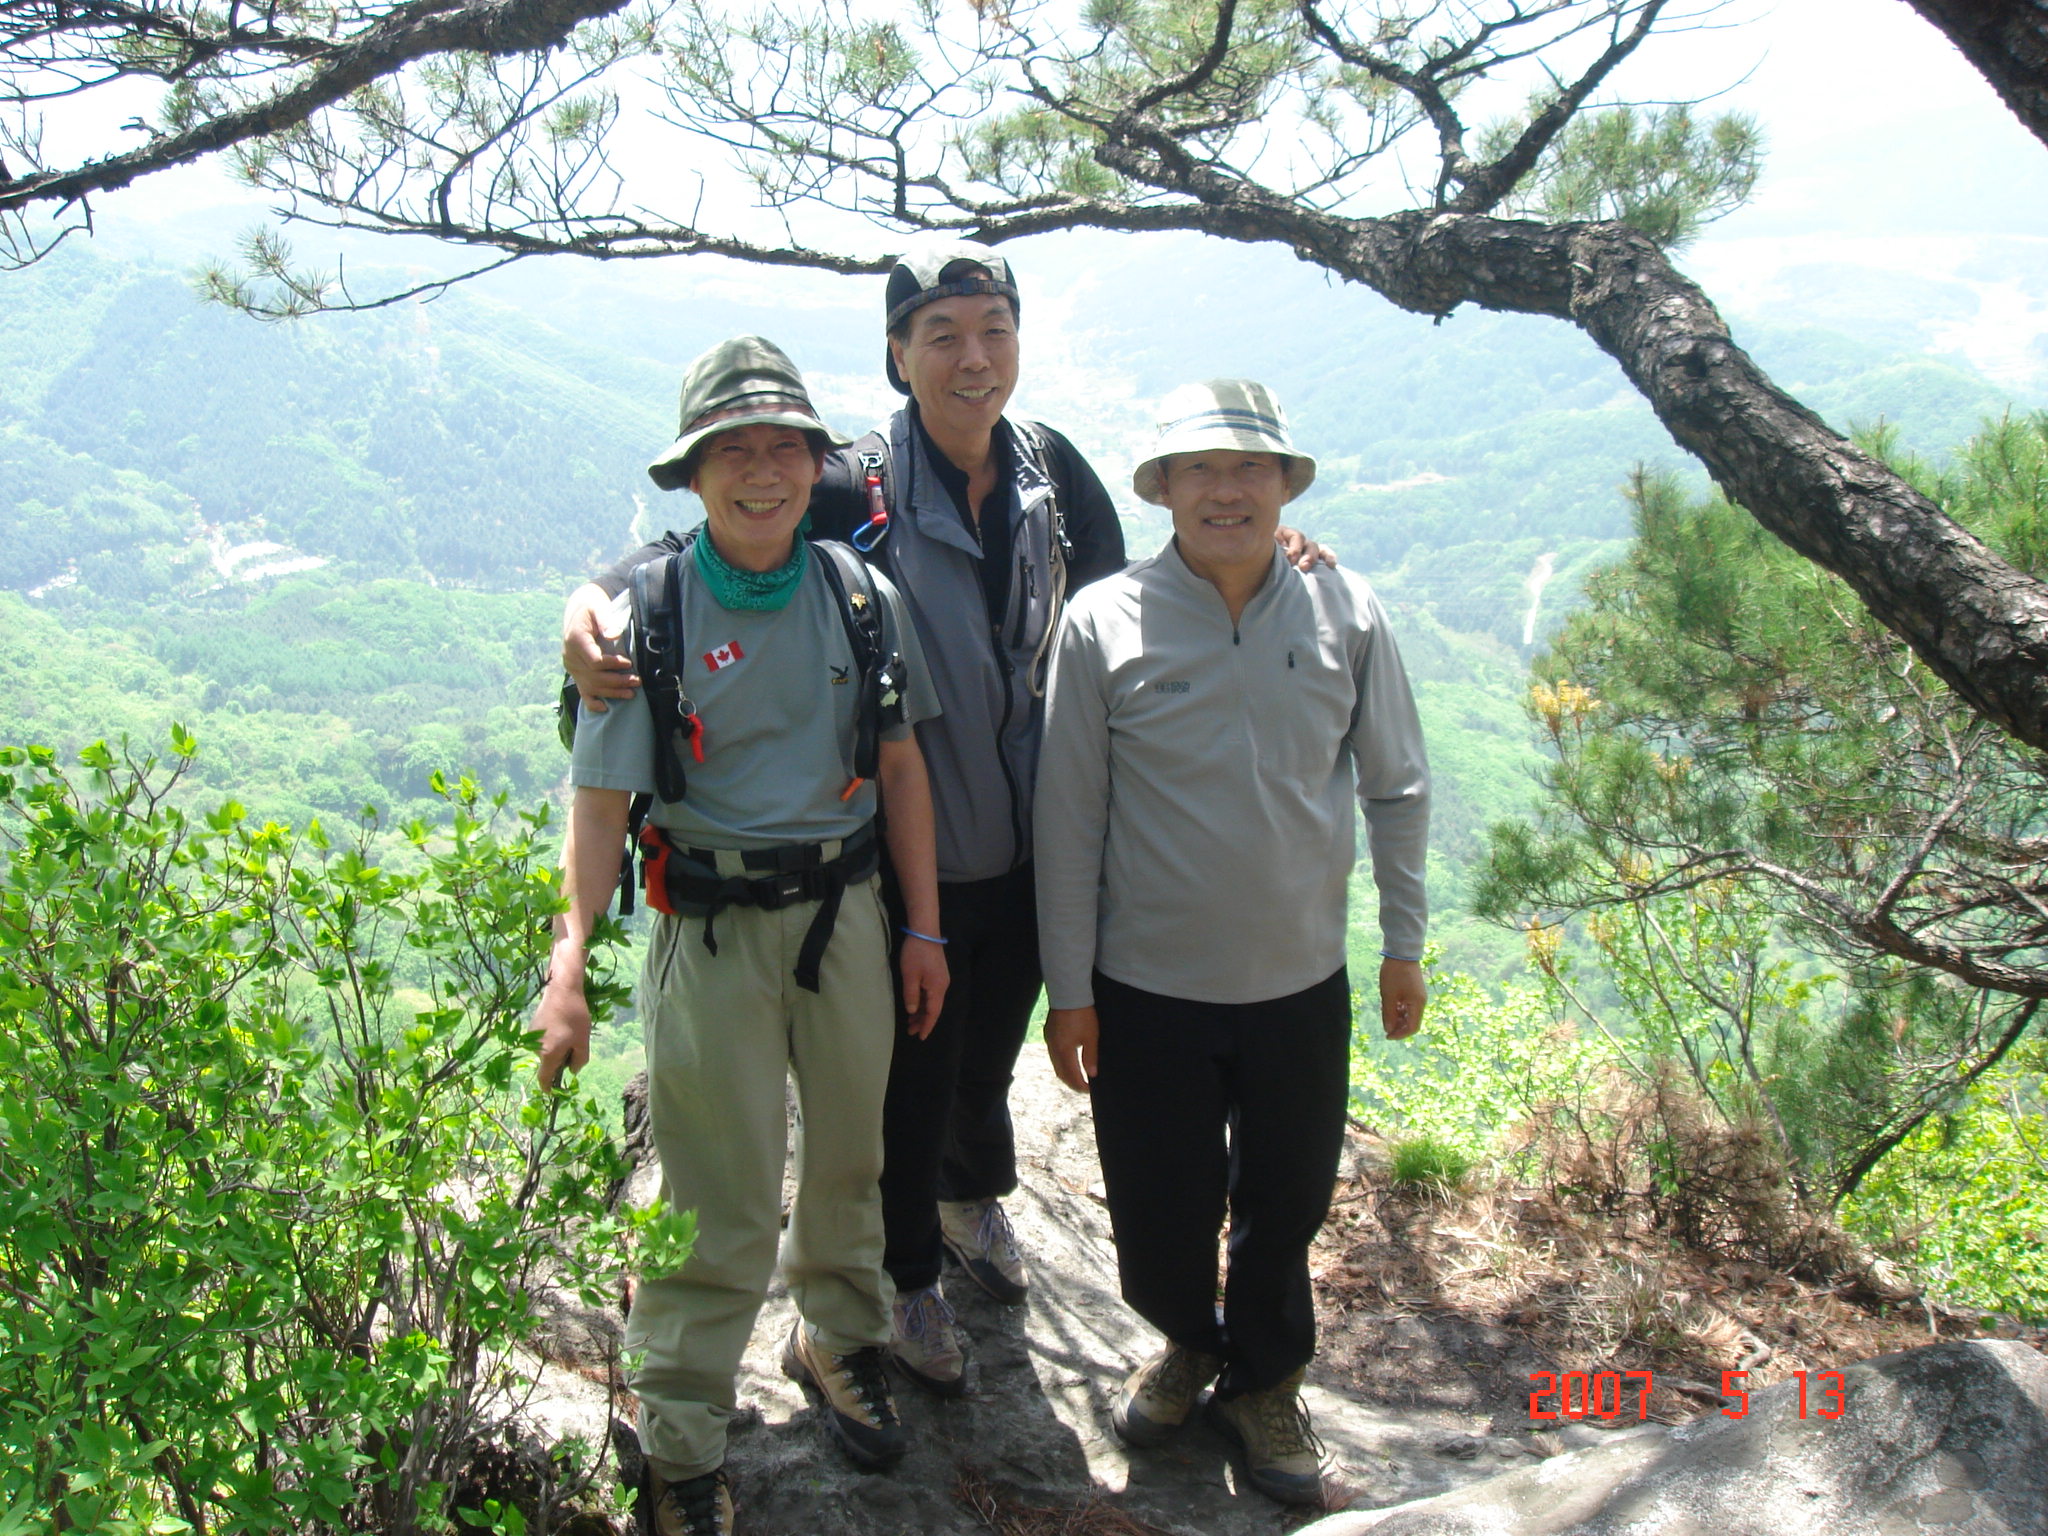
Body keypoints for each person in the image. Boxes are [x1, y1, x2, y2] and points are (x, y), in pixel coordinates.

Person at [561, 240, 1328, 1397]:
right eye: (942, 337)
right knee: (907, 1081)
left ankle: (969, 1198)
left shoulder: (1050, 471)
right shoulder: (848, 484)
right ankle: (904, 1271)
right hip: (903, 857)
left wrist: (1270, 546)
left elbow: (1136, 603)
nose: (973, 358)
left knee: (986, 1055)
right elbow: (711, 539)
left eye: (993, 331)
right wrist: (594, 596)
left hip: (1038, 838)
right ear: (897, 356)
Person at [534, 336, 946, 1536]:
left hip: (847, 914)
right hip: (708, 927)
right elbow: (598, 806)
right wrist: (568, 969)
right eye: (733, 451)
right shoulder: (647, 618)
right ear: (695, 472)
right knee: (715, 1192)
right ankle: (680, 1436)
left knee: (852, 1156)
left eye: (783, 448)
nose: (761, 471)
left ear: (816, 464)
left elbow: (901, 768)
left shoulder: (859, 596)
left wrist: (922, 928)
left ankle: (838, 1337)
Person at [1033, 380, 1430, 1509]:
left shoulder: (1344, 609)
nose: (1225, 489)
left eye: (1250, 466)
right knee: (1159, 1200)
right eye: (1198, 469)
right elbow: (1067, 817)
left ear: (1285, 485)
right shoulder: (1103, 621)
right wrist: (1069, 989)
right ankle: (1184, 1340)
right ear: (1161, 489)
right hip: (1145, 983)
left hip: (1299, 978)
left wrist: (1402, 942)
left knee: (1286, 1198)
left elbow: (1396, 784)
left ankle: (1265, 1381)